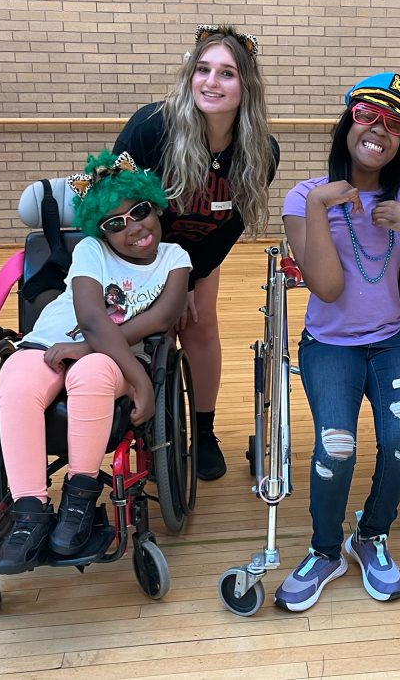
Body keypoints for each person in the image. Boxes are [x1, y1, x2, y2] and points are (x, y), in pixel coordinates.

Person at [275, 72, 400, 611]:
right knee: (336, 445)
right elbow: (326, 286)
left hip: (393, 342)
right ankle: (325, 550)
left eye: (394, 124)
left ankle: (371, 535)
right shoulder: (304, 197)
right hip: (330, 344)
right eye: (368, 115)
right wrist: (321, 208)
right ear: (349, 122)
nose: (378, 130)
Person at [0, 151, 192, 574]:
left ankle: (79, 499)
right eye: (114, 224)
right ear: (100, 231)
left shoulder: (175, 258)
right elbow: (90, 316)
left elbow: (162, 317)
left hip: (111, 357)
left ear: (155, 205)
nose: (132, 227)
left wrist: (97, 353)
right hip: (50, 341)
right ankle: (29, 513)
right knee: (16, 376)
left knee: (92, 371)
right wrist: (135, 377)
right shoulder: (90, 250)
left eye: (139, 211)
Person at [114, 24, 280, 481]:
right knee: (152, 332)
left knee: (201, 324)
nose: (212, 82)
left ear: (246, 85)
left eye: (227, 73)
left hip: (199, 250)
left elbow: (232, 227)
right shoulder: (151, 127)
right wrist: (164, 279)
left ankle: (203, 432)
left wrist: (189, 276)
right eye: (203, 69)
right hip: (134, 250)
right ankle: (147, 430)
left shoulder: (261, 150)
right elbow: (118, 206)